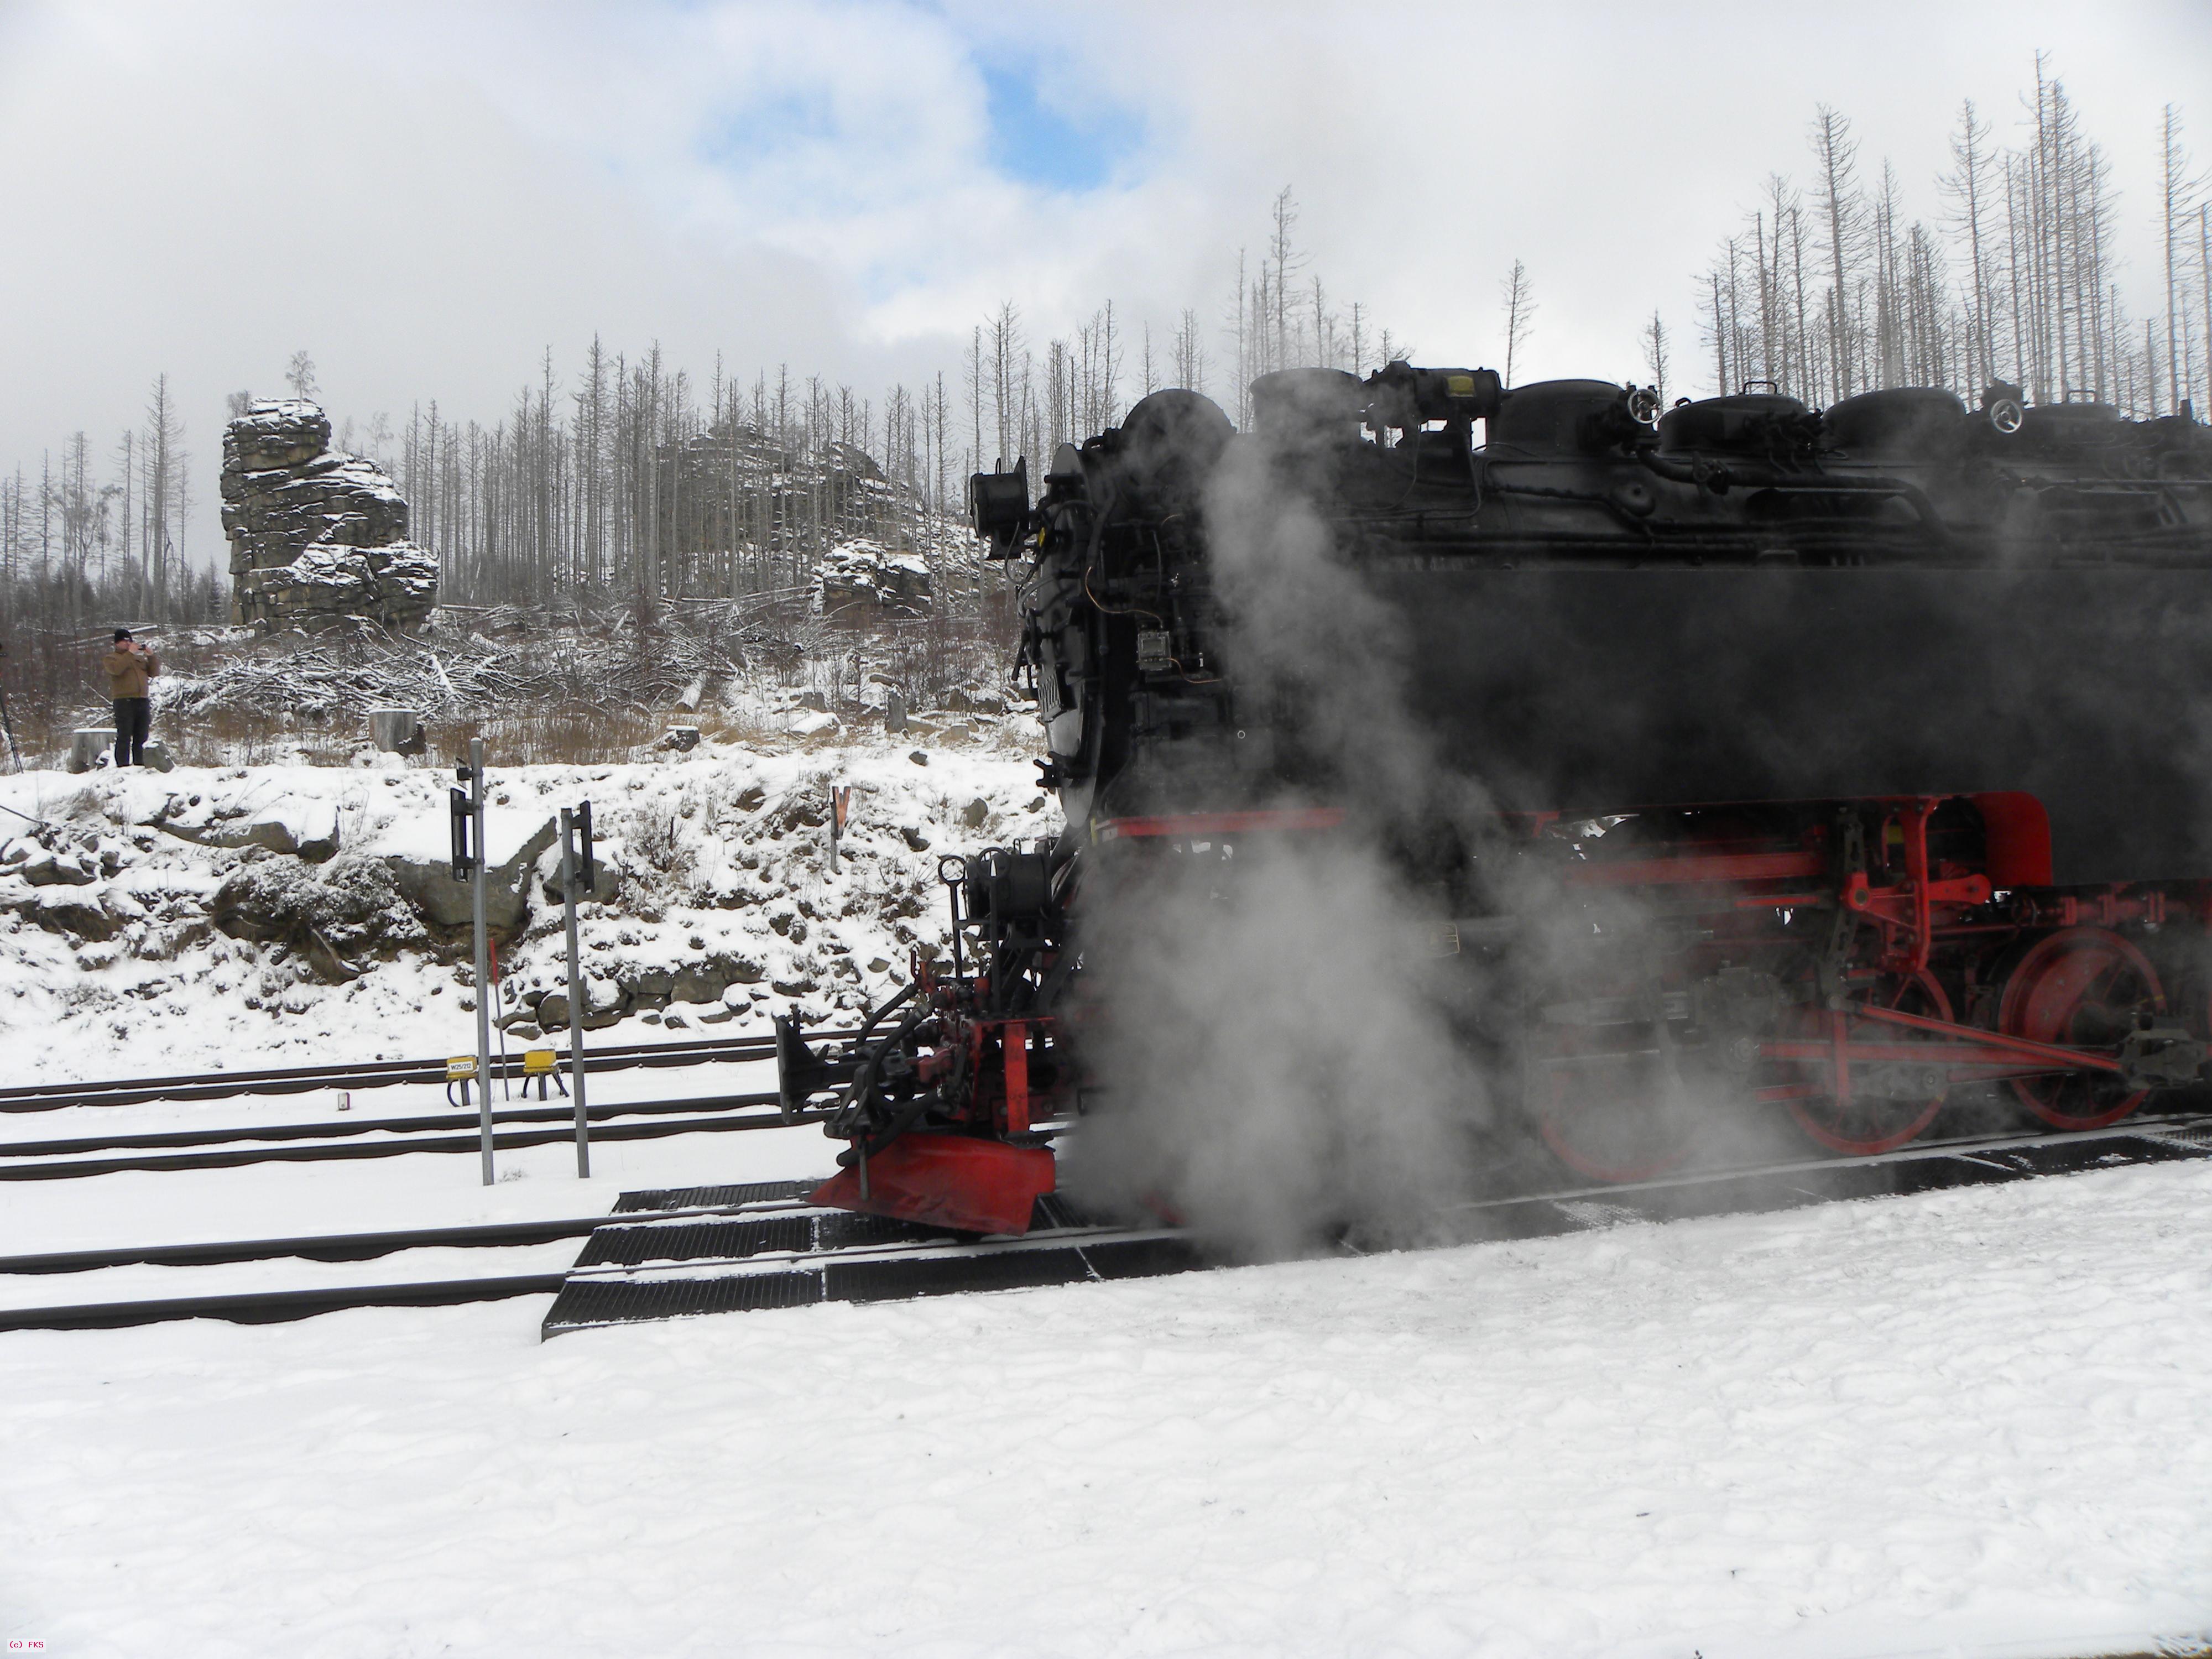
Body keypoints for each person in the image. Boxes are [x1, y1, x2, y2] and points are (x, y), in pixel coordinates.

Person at [101, 628, 159, 767]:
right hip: (124, 701)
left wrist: (151, 657)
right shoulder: (112, 658)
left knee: (142, 735)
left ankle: (140, 764)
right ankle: (123, 766)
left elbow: (154, 672)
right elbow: (116, 670)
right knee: (125, 735)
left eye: (130, 641)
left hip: (142, 700)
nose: (128, 644)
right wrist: (130, 653)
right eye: (124, 641)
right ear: (117, 643)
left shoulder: (138, 659)